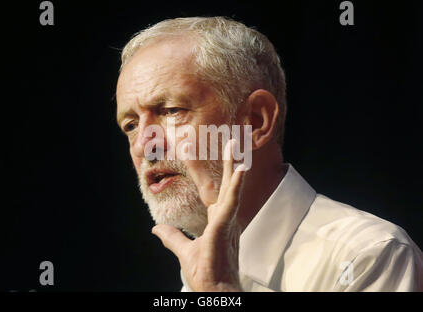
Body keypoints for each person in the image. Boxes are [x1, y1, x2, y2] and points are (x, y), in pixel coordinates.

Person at [115, 16, 423, 291]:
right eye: (130, 125)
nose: (145, 145)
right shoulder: (192, 272)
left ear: (256, 121)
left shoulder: (367, 256)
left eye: (171, 111)